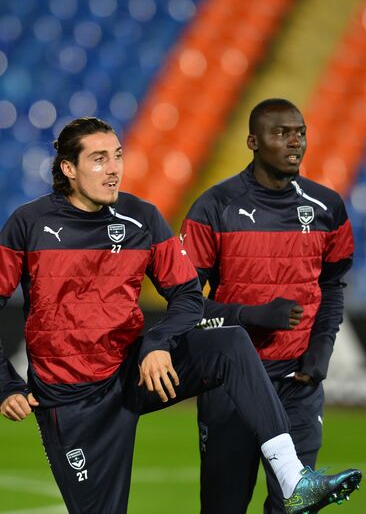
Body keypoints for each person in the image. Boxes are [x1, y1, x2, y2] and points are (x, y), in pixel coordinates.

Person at [0, 117, 360, 514]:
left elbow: (188, 294)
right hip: (72, 402)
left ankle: (293, 477)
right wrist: (6, 385)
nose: (114, 168)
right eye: (99, 159)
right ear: (69, 169)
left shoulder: (144, 219)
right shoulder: (27, 225)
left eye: (117, 156)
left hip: (132, 372)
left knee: (229, 342)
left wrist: (158, 342)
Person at [180, 98, 358, 514]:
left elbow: (332, 288)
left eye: (300, 133)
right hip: (228, 384)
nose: (295, 142)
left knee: (294, 506)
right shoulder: (214, 207)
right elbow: (185, 304)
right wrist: (251, 316)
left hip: (296, 384)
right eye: (281, 133)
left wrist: (321, 352)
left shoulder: (327, 208)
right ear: (252, 141)